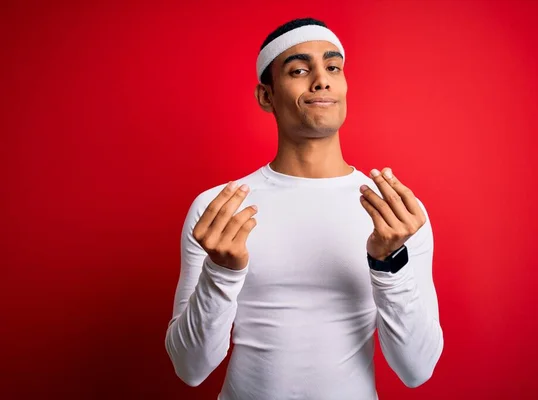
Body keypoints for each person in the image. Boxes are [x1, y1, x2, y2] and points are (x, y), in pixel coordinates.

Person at [165, 17, 443, 400]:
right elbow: (190, 367)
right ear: (267, 96)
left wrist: (388, 264)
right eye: (298, 70)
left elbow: (417, 369)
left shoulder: (395, 215)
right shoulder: (218, 209)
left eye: (333, 67)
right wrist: (221, 274)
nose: (321, 80)